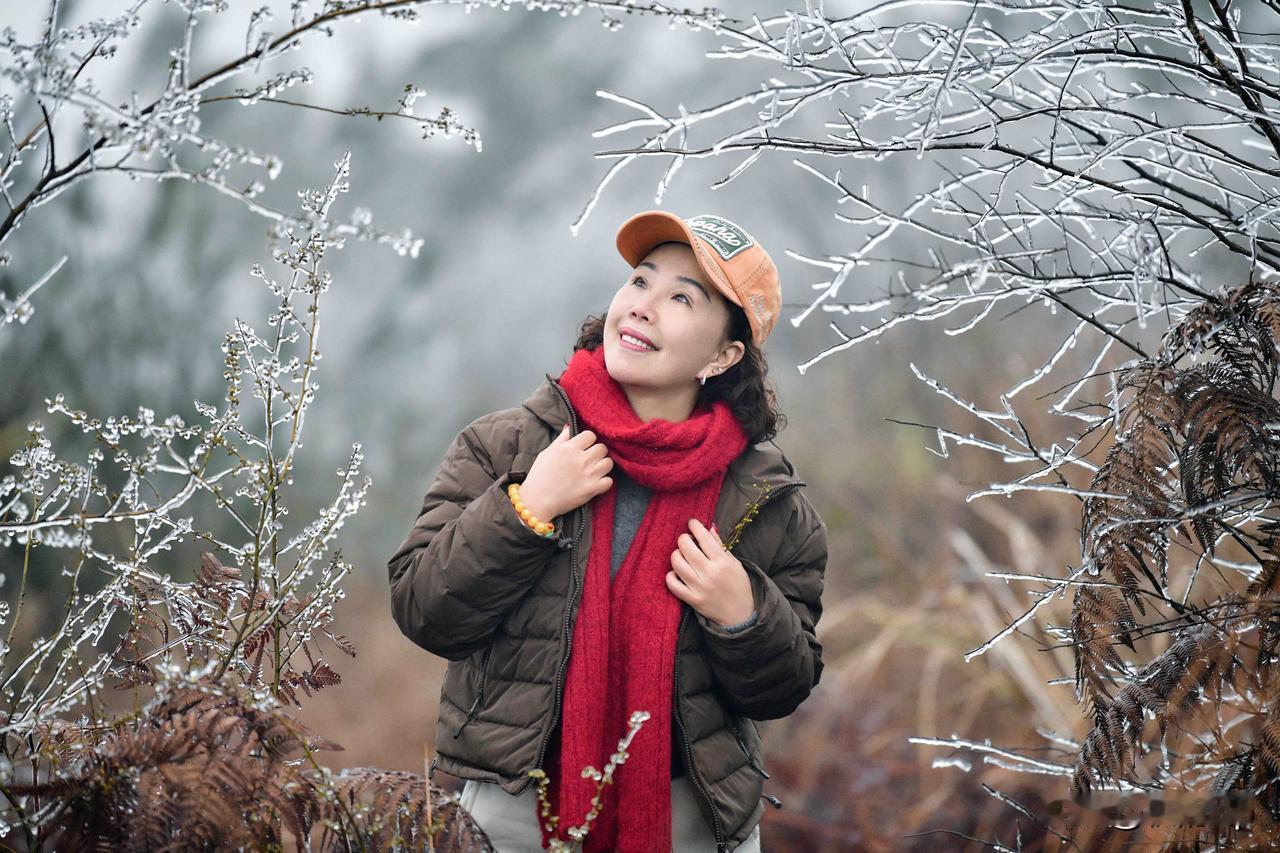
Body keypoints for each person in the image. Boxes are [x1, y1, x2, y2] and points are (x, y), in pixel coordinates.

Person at [387, 210, 828, 853]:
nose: (643, 305)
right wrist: (525, 509)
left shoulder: (769, 504)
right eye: (641, 281)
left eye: (682, 298)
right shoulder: (506, 447)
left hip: (692, 824)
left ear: (724, 355)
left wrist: (745, 616)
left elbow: (783, 687)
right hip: (516, 813)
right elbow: (424, 611)